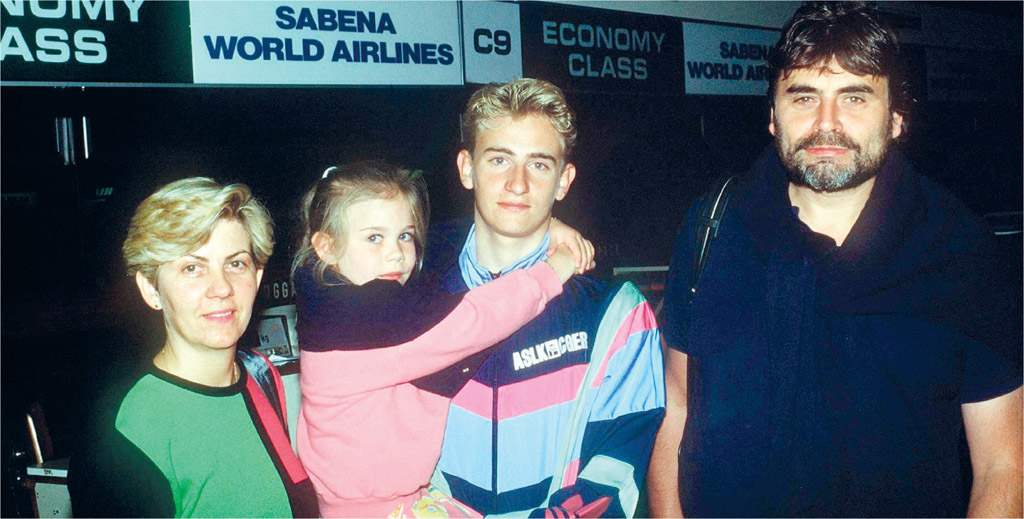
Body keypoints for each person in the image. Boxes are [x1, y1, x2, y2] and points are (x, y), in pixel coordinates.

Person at [649, 3, 1024, 517]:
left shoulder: (962, 251)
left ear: (896, 119)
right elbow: (678, 411)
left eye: (854, 96)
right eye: (804, 97)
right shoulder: (710, 227)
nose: (827, 124)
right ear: (773, 115)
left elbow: (1004, 463)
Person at [291, 160, 592, 518]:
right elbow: (473, 321)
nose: (395, 252)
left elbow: (449, 239)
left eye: (405, 235)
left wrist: (545, 226)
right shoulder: (356, 320)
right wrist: (552, 270)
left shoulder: (328, 299)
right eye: (374, 237)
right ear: (325, 246)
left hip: (405, 501)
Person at [424, 78, 666, 518]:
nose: (517, 184)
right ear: (466, 168)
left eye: (538, 165)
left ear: (563, 180)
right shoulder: (415, 296)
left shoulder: (616, 313)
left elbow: (615, 472)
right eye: (499, 159)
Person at [68, 178, 319, 517]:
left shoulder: (262, 376)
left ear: (257, 278)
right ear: (151, 289)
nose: (221, 288)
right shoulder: (124, 432)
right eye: (192, 268)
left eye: (236, 263)